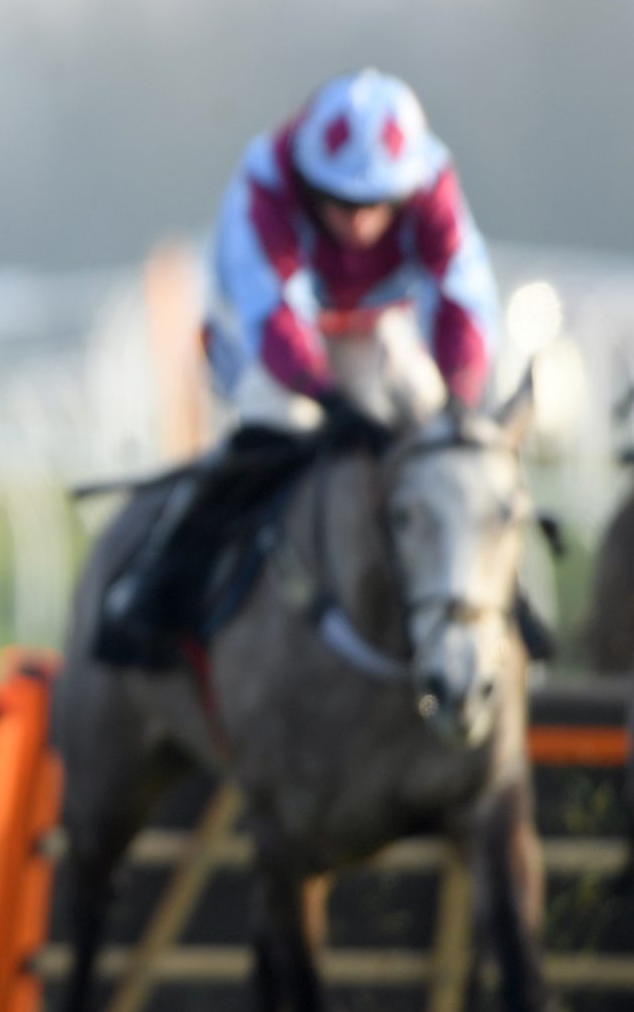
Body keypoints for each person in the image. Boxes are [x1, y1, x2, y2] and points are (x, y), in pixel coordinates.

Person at [99, 67, 552, 661]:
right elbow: (271, 318)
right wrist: (329, 397)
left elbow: (465, 301)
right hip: (260, 332)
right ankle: (160, 584)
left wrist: (460, 400)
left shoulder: (434, 181)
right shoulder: (265, 182)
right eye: (341, 201)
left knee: (445, 448)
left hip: (373, 325)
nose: (360, 220)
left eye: (377, 202)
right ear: (311, 184)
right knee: (280, 423)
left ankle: (499, 601)